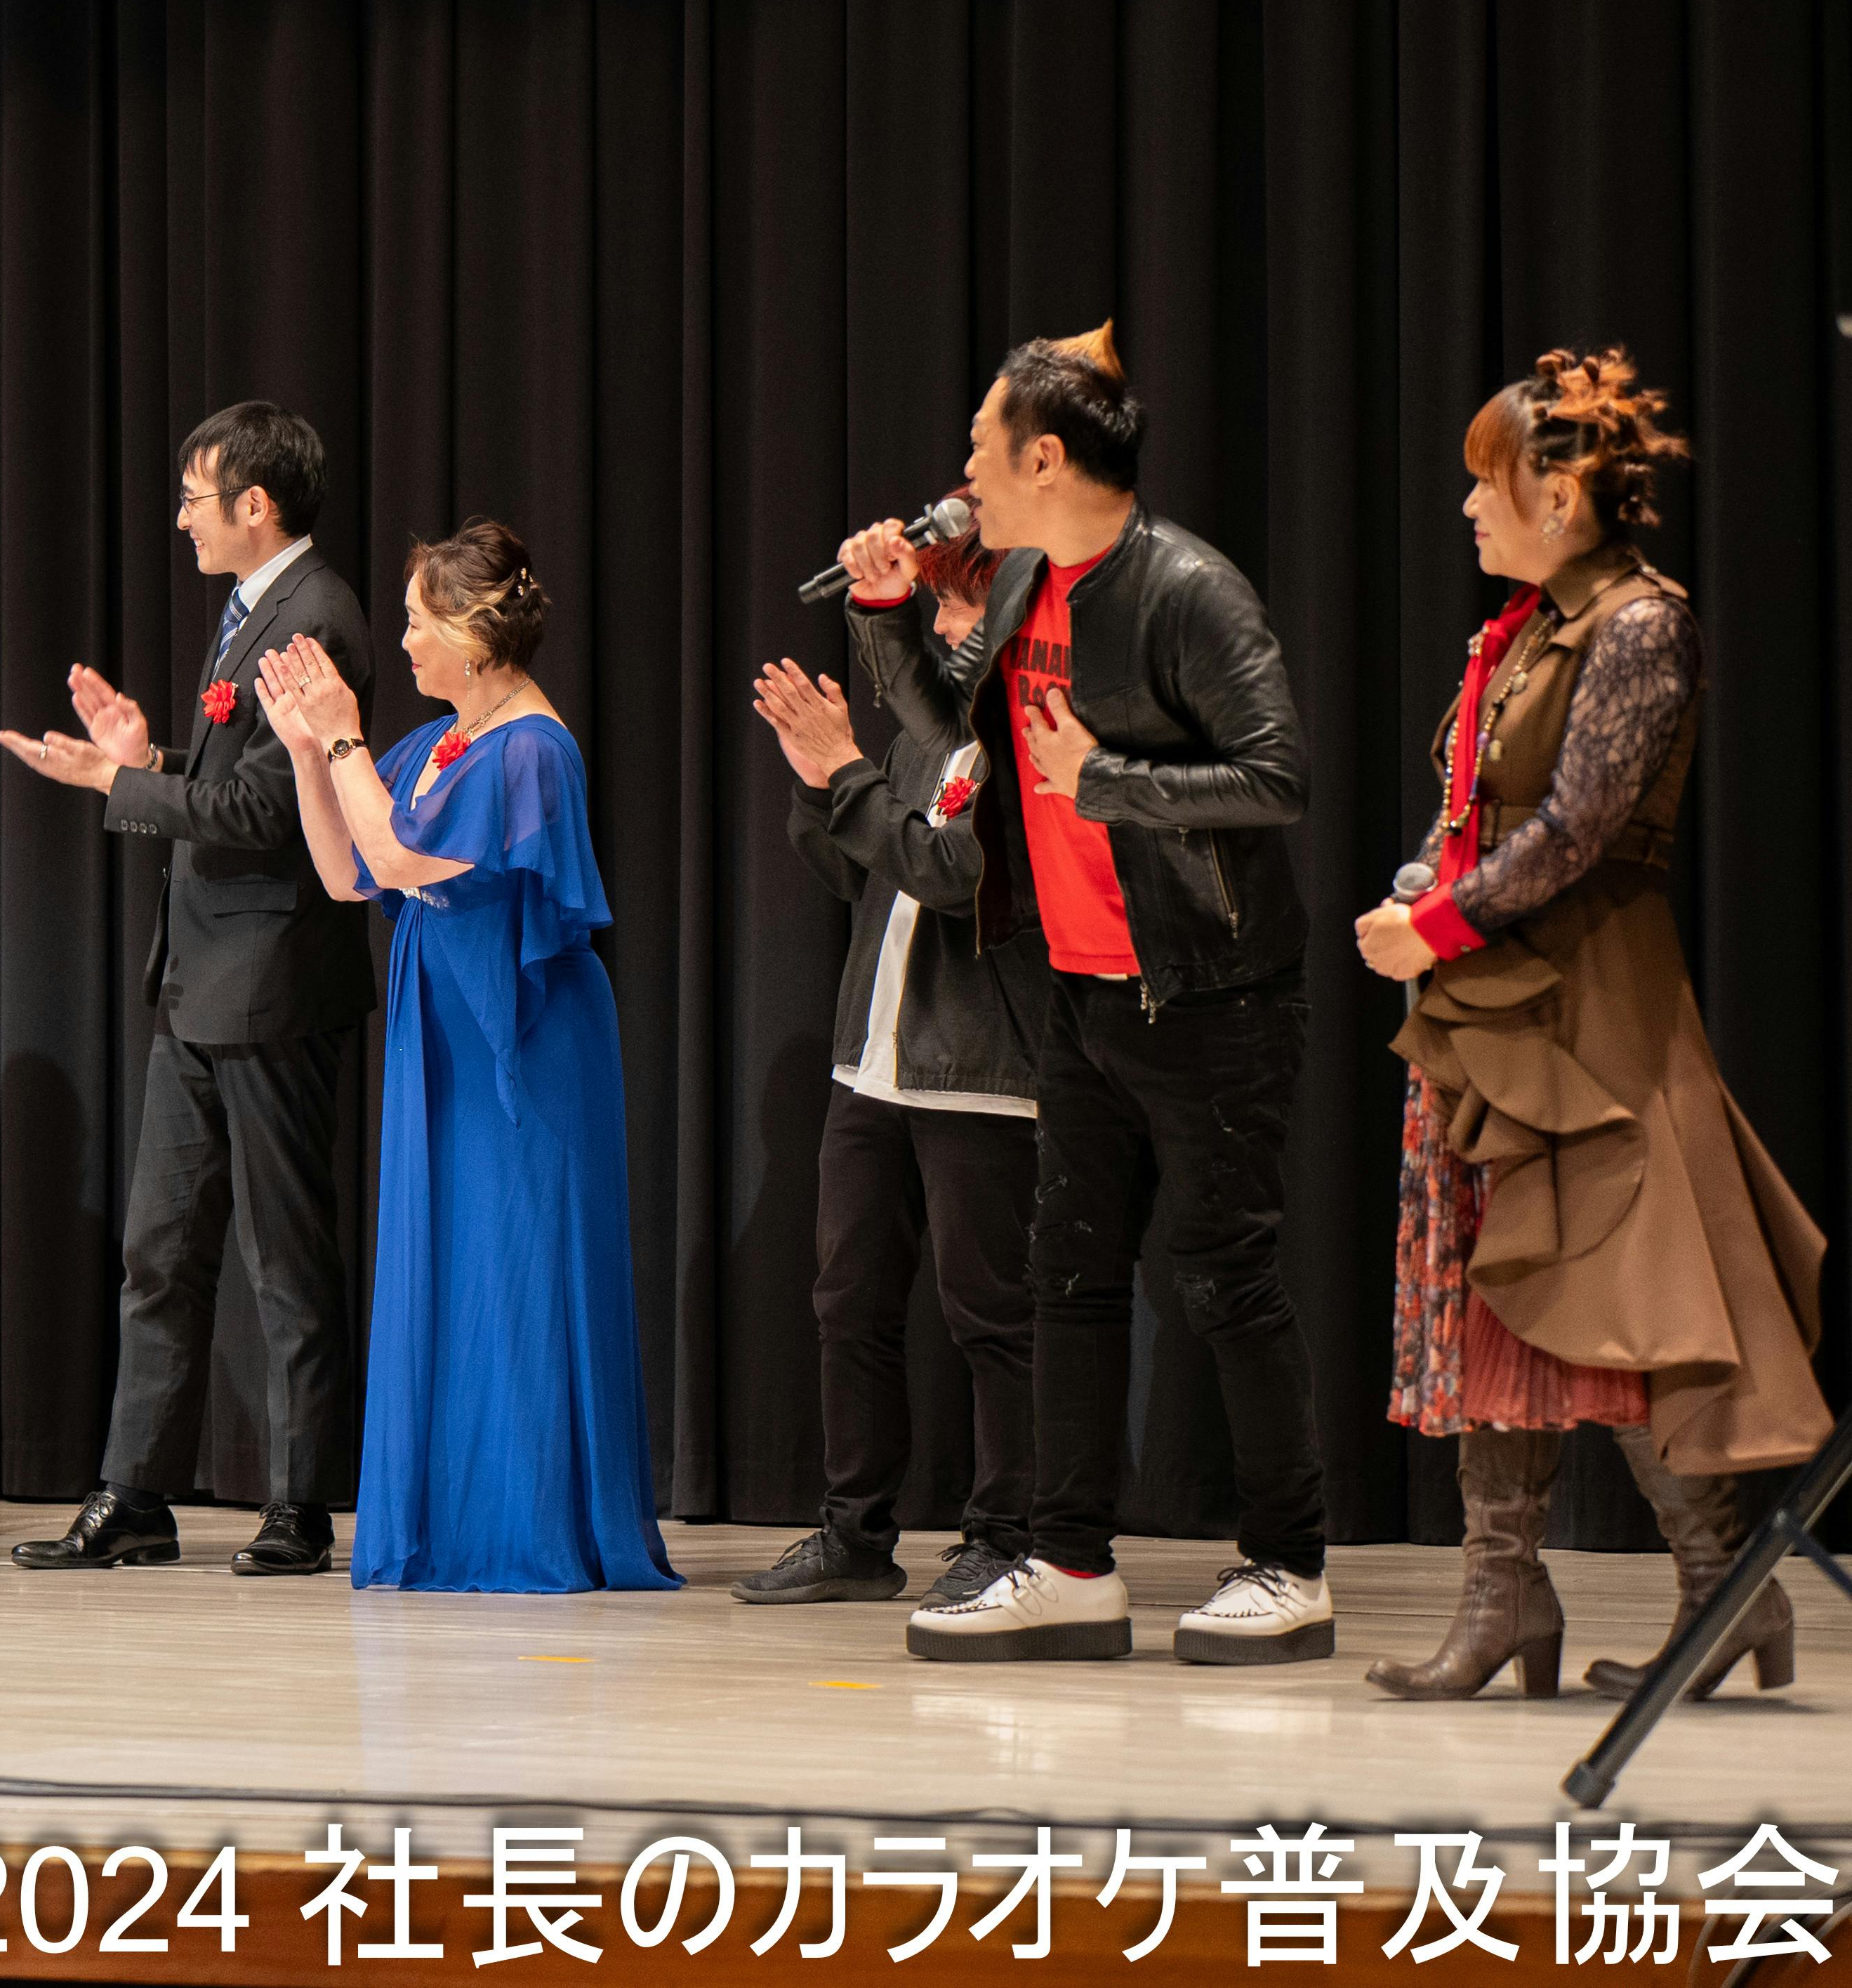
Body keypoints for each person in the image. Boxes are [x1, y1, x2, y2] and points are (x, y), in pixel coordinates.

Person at [1355, 350, 1828, 1704]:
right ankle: (1508, 1592)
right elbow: (1484, 808)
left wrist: (1437, 924)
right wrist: (1423, 891)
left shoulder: (1639, 627)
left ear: (1558, 498)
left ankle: (1724, 1585)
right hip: (1500, 991)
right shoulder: (1526, 626)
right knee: (1504, 1285)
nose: (1467, 508)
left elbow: (1577, 830)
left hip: (1590, 999)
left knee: (1613, 1290)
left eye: (1486, 485)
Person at [856, 326, 1331, 1667]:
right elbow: (955, 733)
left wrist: (1104, 780)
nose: (962, 472)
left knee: (1227, 1279)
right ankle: (1069, 1563)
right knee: (1066, 1278)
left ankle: (1291, 1564)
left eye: (981, 446)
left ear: (1046, 459)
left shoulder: (1189, 589)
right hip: (1077, 989)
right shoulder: (1024, 582)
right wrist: (886, 614)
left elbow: (1280, 778)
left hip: (1211, 990)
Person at [255, 521, 675, 1596]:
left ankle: (535, 1526)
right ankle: (460, 1520)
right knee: (452, 1263)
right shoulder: (444, 741)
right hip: (442, 1029)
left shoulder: (531, 749)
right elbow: (349, 874)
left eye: (415, 623)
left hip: (522, 1039)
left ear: (475, 634)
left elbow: (398, 854)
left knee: (520, 1264)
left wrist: (344, 741)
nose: (400, 643)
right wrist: (308, 751)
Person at [0, 401, 375, 1579]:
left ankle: (301, 1502)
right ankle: (135, 1492)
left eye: (194, 498)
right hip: (198, 984)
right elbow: (233, 778)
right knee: (159, 1253)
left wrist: (116, 784)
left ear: (254, 504)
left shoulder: (312, 616)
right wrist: (148, 759)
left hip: (272, 980)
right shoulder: (258, 609)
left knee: (285, 1258)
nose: (181, 519)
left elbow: (268, 811)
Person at [733, 518, 1043, 1613]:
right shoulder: (924, 732)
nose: (944, 630)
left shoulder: (1021, 733)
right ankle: (855, 1532)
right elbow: (860, 869)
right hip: (874, 1062)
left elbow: (952, 875)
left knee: (992, 1314)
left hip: (983, 1065)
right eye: (939, 607)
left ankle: (1008, 1536)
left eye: (960, 608)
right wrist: (818, 784)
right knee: (850, 1300)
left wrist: (850, 770)